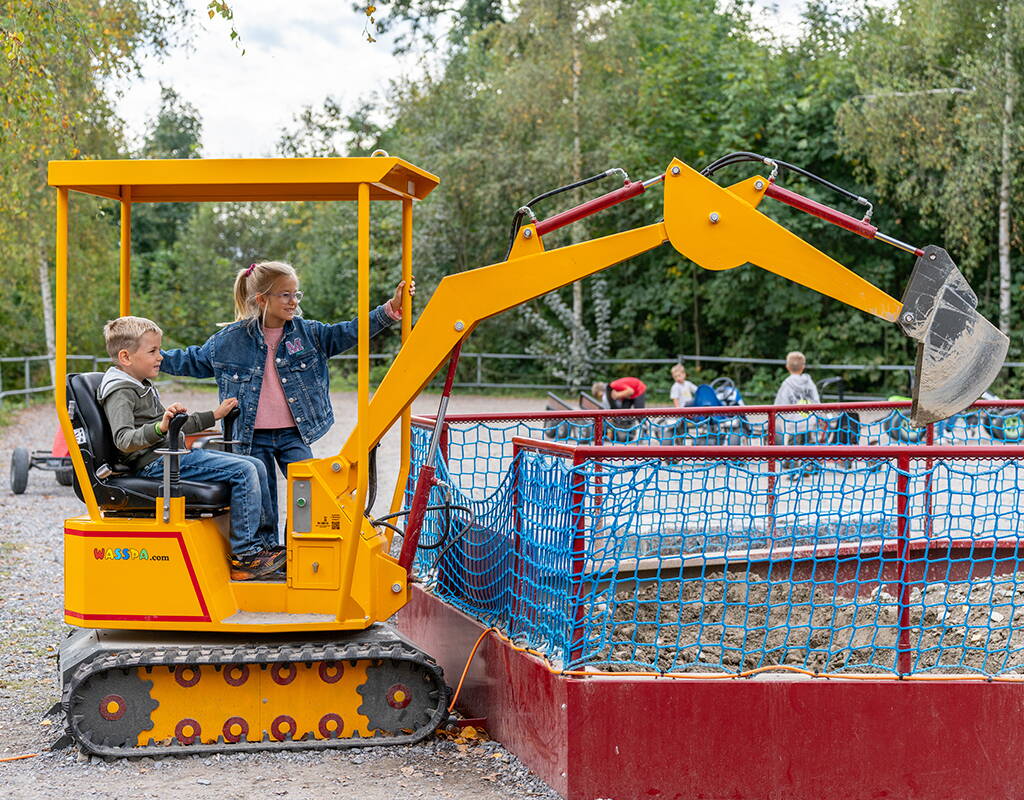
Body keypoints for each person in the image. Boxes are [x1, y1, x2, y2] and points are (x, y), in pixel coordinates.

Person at [159, 261, 413, 537]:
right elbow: (190, 360)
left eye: (296, 294)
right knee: (263, 500)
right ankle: (267, 554)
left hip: (294, 435)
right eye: (286, 295)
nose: (293, 301)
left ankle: (299, 546)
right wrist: (150, 358)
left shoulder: (310, 334)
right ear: (262, 299)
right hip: (252, 436)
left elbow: (349, 331)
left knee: (307, 491)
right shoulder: (229, 341)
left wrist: (389, 310)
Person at [98, 316, 284, 581]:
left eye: (159, 350)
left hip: (167, 455)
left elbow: (176, 427)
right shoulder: (121, 392)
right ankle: (245, 557)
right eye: (152, 351)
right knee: (244, 469)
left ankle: (263, 546)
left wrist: (215, 415)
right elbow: (125, 440)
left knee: (255, 464)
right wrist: (161, 428)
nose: (160, 357)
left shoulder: (140, 385)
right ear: (126, 357)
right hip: (154, 464)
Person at [774, 351, 821, 477]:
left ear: (787, 367)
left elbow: (780, 403)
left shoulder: (787, 384)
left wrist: (777, 417)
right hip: (808, 419)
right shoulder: (809, 382)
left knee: (793, 446)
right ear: (803, 366)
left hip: (794, 422)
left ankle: (793, 471)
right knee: (808, 444)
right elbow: (816, 400)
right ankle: (807, 467)